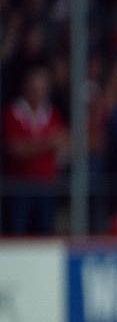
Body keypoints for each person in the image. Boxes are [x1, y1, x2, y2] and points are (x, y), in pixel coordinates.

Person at [1, 65, 68, 235]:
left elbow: (62, 143)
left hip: (45, 186)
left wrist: (32, 145)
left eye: (41, 88)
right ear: (25, 87)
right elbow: (15, 149)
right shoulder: (12, 112)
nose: (38, 92)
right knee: (17, 232)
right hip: (18, 186)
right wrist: (47, 143)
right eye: (34, 88)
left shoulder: (52, 113)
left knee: (44, 232)